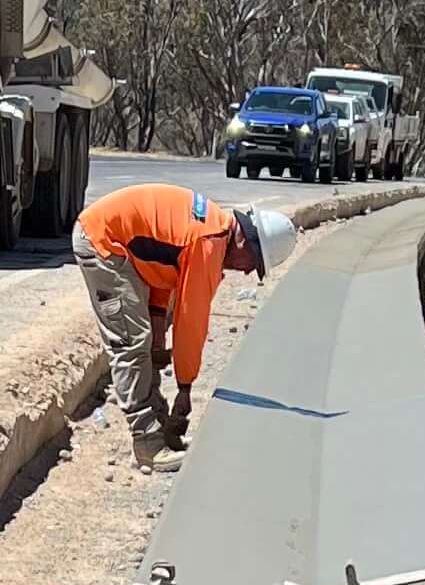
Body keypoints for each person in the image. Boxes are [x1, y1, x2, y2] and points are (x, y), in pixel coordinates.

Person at [70, 181, 295, 467]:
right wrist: (185, 388)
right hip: (103, 241)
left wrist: (158, 330)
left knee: (148, 340)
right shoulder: (209, 243)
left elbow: (161, 268)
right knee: (132, 343)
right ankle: (147, 443)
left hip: (121, 244)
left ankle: (158, 424)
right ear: (244, 243)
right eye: (253, 263)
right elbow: (191, 323)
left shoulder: (211, 229)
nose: (248, 272)